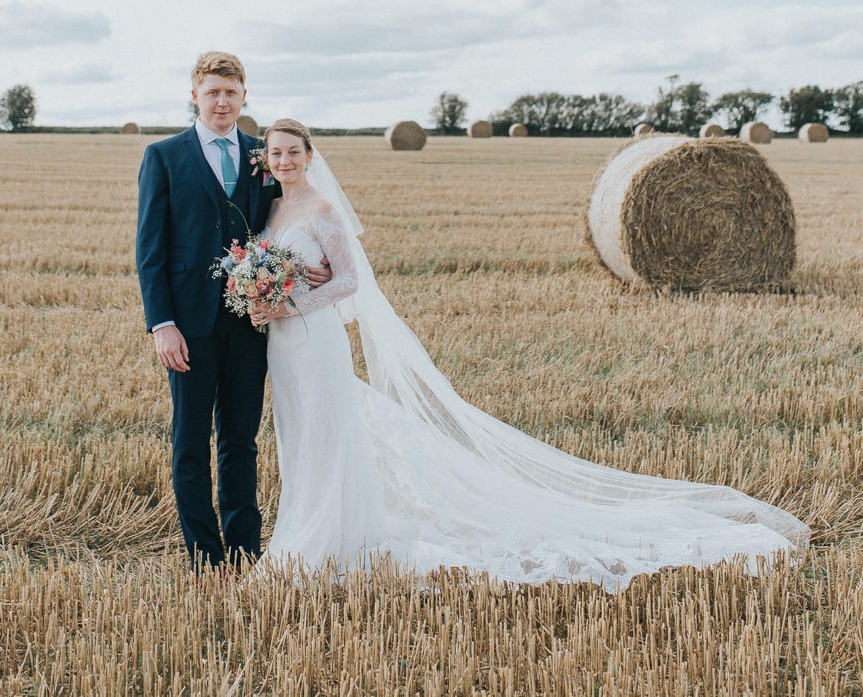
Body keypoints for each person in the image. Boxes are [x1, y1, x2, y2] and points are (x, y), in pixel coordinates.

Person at [249, 118, 810, 587]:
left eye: (293, 151)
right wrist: (258, 297)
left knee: (330, 433)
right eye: (275, 152)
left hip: (314, 340)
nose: (284, 160)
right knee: (301, 436)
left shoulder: (322, 210)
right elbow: (281, 271)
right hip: (284, 349)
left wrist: (288, 306)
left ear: (309, 155)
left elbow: (348, 283)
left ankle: (335, 537)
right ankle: (305, 530)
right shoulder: (272, 211)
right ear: (267, 158)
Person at [134, 51, 330, 568]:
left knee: (241, 441)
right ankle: (204, 554)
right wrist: (162, 324)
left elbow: (296, 217)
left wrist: (321, 267)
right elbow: (150, 250)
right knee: (191, 440)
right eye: (212, 92)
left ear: (245, 96)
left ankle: (245, 551)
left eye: (231, 92)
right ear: (194, 96)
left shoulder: (261, 155)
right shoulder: (163, 156)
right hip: (189, 326)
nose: (222, 101)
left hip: (252, 323)